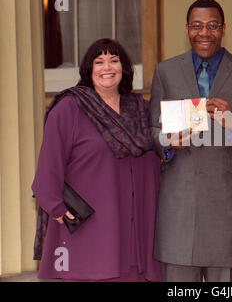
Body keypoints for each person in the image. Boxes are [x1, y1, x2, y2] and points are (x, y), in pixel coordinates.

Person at [149, 0, 232, 282]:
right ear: (187, 30)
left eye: (212, 26)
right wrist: (167, 142)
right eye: (197, 26)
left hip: (227, 213)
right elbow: (152, 130)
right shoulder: (165, 72)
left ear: (223, 29)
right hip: (178, 209)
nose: (204, 33)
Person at [32, 38, 162, 282]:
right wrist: (54, 204)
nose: (107, 67)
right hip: (91, 229)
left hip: (138, 232)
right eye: (99, 62)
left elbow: (162, 151)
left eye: (114, 61)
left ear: (124, 67)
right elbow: (49, 162)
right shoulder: (70, 108)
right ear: (88, 70)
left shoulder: (142, 110)